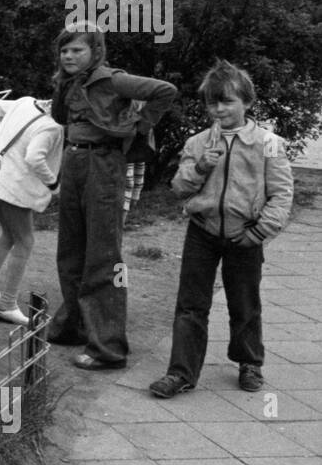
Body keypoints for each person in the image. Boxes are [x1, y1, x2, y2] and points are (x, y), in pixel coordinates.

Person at [149, 61, 293, 399]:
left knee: (244, 302)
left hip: (246, 232)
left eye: (227, 101)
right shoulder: (198, 142)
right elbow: (180, 188)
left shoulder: (268, 143)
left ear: (247, 101)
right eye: (213, 102)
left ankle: (249, 361)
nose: (219, 109)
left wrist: (260, 232)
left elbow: (282, 193)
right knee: (190, 304)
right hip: (203, 230)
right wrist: (201, 166)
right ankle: (181, 372)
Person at [47, 21, 176, 370]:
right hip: (74, 159)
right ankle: (74, 326)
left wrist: (138, 127)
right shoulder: (72, 82)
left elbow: (165, 90)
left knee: (103, 257)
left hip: (103, 163)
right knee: (70, 250)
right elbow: (60, 118)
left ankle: (108, 348)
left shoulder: (113, 79)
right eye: (65, 50)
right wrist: (62, 83)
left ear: (95, 51)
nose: (69, 55)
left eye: (77, 50)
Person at [0, 97, 64, 325]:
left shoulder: (25, 101)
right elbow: (34, 157)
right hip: (14, 187)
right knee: (25, 241)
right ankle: (7, 303)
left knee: (9, 236)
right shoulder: (52, 126)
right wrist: (53, 185)